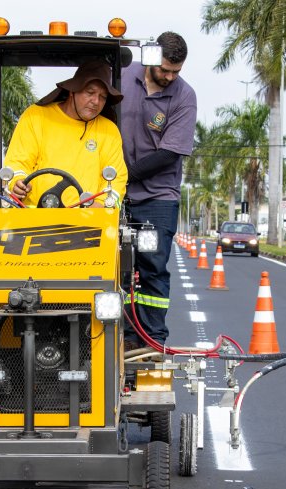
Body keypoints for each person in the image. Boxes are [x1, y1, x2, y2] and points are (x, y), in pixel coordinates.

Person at [120, 31, 197, 349]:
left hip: (157, 198)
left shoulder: (184, 96)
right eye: (165, 69)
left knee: (151, 267)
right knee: (116, 269)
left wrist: (124, 177)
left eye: (176, 72)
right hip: (114, 196)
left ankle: (152, 341)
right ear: (151, 58)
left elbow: (169, 153)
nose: (169, 77)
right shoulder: (121, 75)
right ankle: (122, 337)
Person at [6, 59, 128, 207]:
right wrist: (17, 181)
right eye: (90, 92)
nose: (96, 101)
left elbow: (117, 177)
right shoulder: (36, 116)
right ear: (72, 91)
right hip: (34, 213)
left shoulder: (109, 130)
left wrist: (102, 204)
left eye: (102, 97)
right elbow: (17, 161)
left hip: (88, 216)